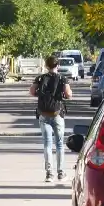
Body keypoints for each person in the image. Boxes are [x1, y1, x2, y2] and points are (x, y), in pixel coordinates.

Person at [30, 55, 73, 183]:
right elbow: (68, 94)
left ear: (46, 66)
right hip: (57, 114)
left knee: (47, 144)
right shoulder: (62, 79)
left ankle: (49, 174)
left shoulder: (40, 78)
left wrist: (40, 94)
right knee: (59, 144)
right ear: (57, 66)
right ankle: (61, 173)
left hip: (43, 114)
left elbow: (32, 91)